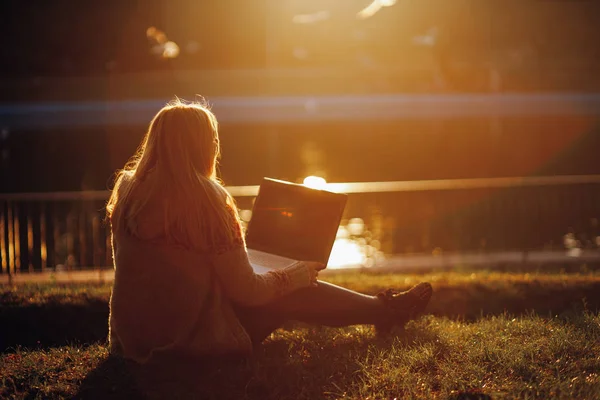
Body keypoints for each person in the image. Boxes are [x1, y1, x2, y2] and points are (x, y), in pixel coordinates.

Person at [106, 99, 433, 364]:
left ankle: (384, 310)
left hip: (135, 339)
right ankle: (387, 311)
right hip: (193, 342)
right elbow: (247, 292)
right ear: (207, 144)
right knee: (295, 285)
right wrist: (293, 275)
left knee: (282, 276)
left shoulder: (129, 190)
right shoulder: (208, 200)